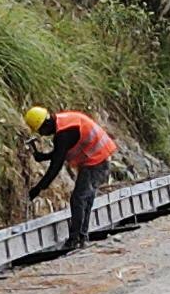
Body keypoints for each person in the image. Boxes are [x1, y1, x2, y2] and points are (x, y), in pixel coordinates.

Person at [25, 106, 117, 255]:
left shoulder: (63, 134)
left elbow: (56, 166)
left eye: (41, 131)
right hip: (96, 158)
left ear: (45, 125)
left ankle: (75, 239)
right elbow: (60, 152)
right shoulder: (63, 123)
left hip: (97, 160)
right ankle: (81, 236)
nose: (42, 135)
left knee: (79, 199)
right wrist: (44, 156)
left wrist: (38, 188)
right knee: (84, 199)